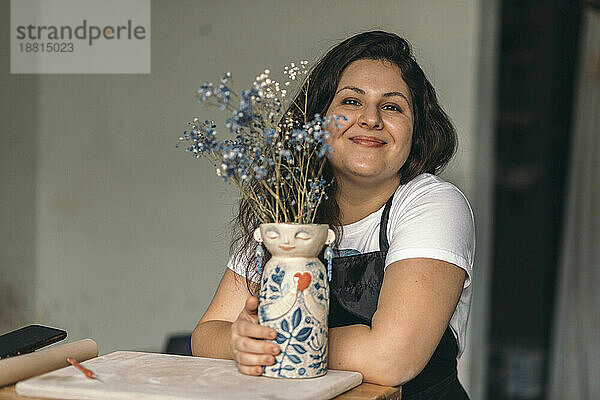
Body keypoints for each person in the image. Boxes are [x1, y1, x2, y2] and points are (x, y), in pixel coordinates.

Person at [191, 30, 475, 399]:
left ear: (416, 130)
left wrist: (275, 343)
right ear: (317, 122)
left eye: (392, 106)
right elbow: (208, 332)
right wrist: (239, 341)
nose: (370, 119)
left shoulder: (432, 203)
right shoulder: (285, 206)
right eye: (352, 101)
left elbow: (392, 358)